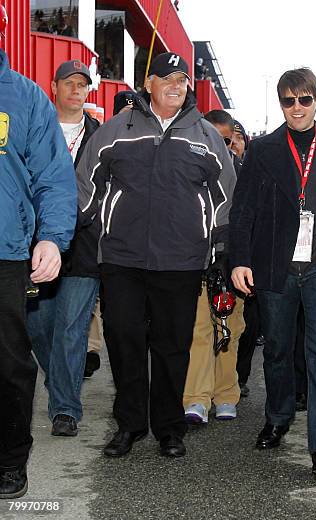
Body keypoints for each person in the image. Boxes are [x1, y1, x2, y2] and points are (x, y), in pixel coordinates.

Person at [76, 52, 236, 459]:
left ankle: (169, 428)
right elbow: (85, 189)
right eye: (167, 78)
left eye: (182, 79)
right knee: (125, 344)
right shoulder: (114, 130)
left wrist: (220, 251)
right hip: (121, 260)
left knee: (172, 347)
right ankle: (129, 425)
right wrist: (72, 236)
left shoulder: (207, 136)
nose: (176, 85)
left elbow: (226, 199)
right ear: (149, 83)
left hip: (181, 263)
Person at [230, 68, 316, 476]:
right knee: (277, 350)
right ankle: (278, 417)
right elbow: (243, 210)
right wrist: (238, 259)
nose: (297, 108)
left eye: (304, 99)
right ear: (281, 104)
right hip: (275, 266)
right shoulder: (263, 150)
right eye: (289, 101)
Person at [0, 5, 77, 498]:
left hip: (6, 254)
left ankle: (10, 458)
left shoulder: (25, 97)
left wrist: (51, 237)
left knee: (8, 363)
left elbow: (53, 178)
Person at [26, 60, 100, 437]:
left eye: (82, 85)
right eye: (69, 83)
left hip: (85, 249)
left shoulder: (101, 135)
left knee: (72, 328)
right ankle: (60, 383)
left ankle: (65, 409)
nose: (76, 90)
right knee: (39, 326)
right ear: (54, 86)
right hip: (37, 245)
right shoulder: (34, 126)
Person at [183, 110, 246, 424]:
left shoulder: (244, 172)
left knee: (230, 331)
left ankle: (225, 395)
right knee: (198, 330)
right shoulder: (191, 168)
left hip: (232, 267)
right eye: (215, 139)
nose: (221, 145)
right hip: (196, 262)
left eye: (226, 140)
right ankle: (196, 398)